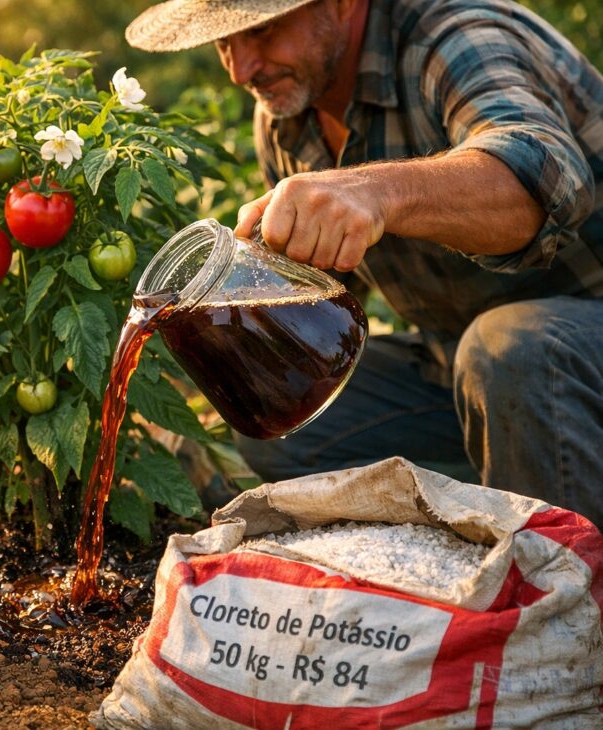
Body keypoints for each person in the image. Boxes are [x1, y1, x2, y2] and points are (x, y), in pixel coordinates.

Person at [126, 0, 603, 526]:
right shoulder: (288, 122)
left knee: (513, 350)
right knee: (283, 425)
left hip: (572, 349)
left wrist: (378, 191)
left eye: (260, 31)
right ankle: (498, 502)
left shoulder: (452, 36)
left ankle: (560, 582)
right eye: (223, 44)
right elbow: (320, 301)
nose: (242, 70)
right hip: (460, 368)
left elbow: (546, 178)